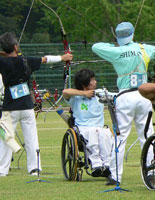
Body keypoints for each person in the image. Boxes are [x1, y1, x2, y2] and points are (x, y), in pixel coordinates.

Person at [92, 22, 155, 185]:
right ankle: (153, 173)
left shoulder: (115, 51)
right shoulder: (143, 48)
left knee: (120, 137)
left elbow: (96, 47)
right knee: (146, 136)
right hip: (143, 96)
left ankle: (115, 176)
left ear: (118, 36)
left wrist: (114, 44)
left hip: (125, 97)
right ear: (132, 34)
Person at [0, 32, 73, 176]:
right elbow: (46, 59)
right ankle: (35, 168)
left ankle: (2, 170)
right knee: (31, 137)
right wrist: (63, 57)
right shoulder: (27, 61)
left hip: (10, 107)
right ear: (16, 47)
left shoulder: (2, 62)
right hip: (27, 106)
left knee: (6, 138)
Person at [62, 68, 114, 179]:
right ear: (84, 83)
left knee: (105, 133)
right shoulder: (75, 97)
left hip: (99, 127)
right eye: (92, 80)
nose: (95, 82)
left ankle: (107, 164)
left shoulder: (99, 93)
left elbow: (115, 96)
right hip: (83, 129)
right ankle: (96, 164)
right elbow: (65, 92)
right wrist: (84, 93)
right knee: (92, 132)